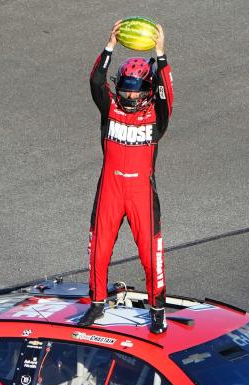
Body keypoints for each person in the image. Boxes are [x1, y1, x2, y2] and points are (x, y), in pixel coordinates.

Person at [80, 19, 174, 334]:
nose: (129, 97)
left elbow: (166, 94)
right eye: (124, 90)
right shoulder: (110, 109)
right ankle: (95, 304)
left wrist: (160, 56)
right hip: (110, 189)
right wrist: (110, 45)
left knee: (151, 255)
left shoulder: (156, 116)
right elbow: (95, 81)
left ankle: (158, 309)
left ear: (147, 91)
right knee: (99, 249)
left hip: (141, 194)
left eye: (135, 92)